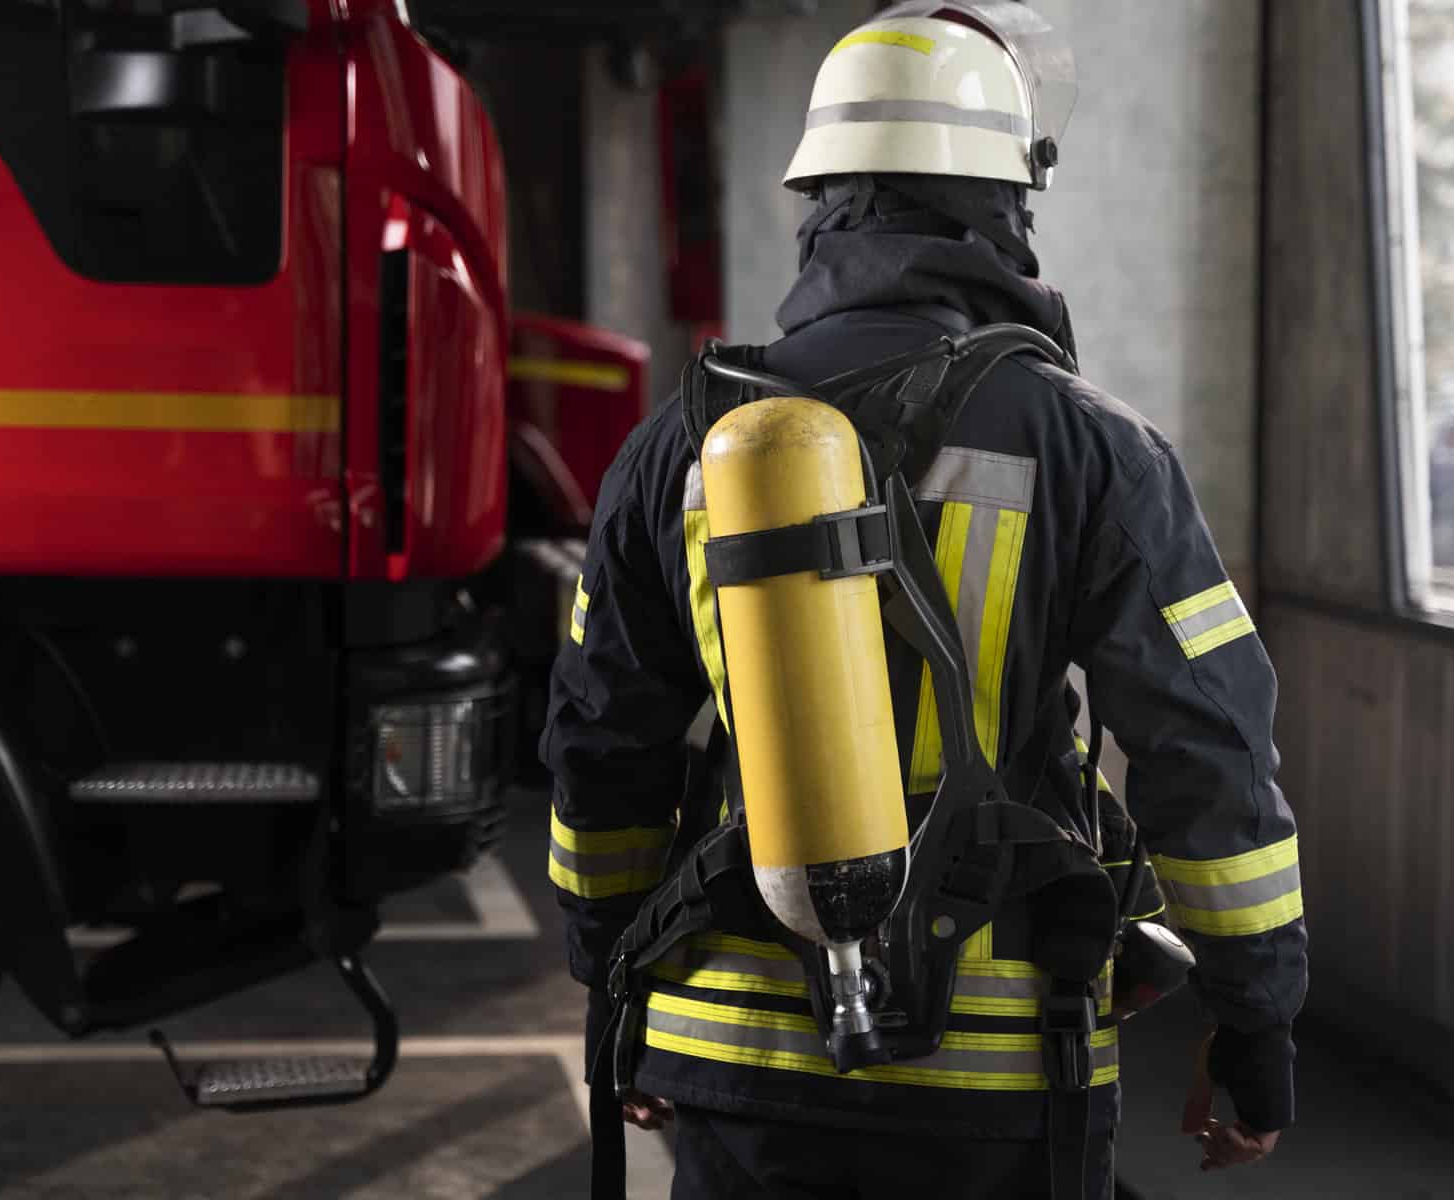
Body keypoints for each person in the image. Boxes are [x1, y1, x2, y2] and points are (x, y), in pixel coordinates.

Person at [542, 6, 1307, 1196]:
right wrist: (1253, 1025)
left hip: (732, 1048)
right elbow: (1203, 746)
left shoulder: (682, 445)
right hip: (998, 1070)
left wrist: (614, 986)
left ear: (820, 208)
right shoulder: (1093, 447)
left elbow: (600, 754)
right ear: (1003, 210)